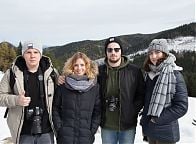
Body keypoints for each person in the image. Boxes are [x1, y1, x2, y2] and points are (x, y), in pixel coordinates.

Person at [0, 41, 58, 144]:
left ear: (40, 54)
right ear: (23, 55)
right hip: (22, 130)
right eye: (28, 52)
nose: (32, 56)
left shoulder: (51, 73)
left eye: (36, 52)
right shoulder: (12, 73)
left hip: (46, 129)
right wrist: (16, 100)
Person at [140, 39, 188, 144]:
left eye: (157, 52)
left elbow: (181, 107)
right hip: (151, 130)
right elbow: (147, 101)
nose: (153, 56)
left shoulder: (174, 74)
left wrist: (157, 119)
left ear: (164, 54)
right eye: (151, 53)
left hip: (166, 133)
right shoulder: (149, 74)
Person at [98, 37, 145, 144]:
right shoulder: (99, 71)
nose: (113, 52)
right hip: (107, 125)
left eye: (116, 49)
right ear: (106, 52)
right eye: (109, 50)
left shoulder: (134, 71)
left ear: (121, 51)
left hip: (127, 124)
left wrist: (132, 109)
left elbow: (141, 94)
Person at [52, 52, 101, 144]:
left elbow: (97, 112)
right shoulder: (63, 85)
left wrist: (91, 131)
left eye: (82, 65)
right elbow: (55, 108)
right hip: (65, 137)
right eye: (76, 65)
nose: (79, 68)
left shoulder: (94, 87)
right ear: (71, 67)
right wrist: (60, 129)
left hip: (85, 137)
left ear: (87, 66)